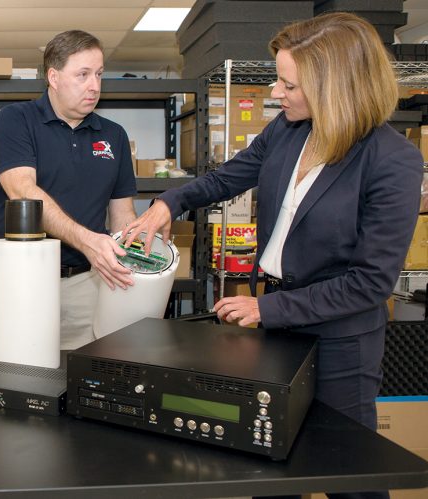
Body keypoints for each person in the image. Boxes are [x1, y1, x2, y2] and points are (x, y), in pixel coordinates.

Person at [124, 12, 422, 499]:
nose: (275, 94)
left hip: (340, 342)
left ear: (337, 88)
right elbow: (226, 177)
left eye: (288, 84)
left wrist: (266, 308)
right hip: (274, 330)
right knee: (268, 458)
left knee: (346, 473)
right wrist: (168, 203)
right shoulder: (288, 130)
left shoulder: (391, 161)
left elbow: (371, 281)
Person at [0, 30, 137, 352]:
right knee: (12, 376)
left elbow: (122, 214)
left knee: (85, 379)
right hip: (21, 278)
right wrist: (89, 240)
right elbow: (22, 189)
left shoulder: (114, 135)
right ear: (53, 76)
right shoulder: (16, 120)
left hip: (89, 282)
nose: (94, 85)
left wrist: (138, 262)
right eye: (83, 75)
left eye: (99, 74)